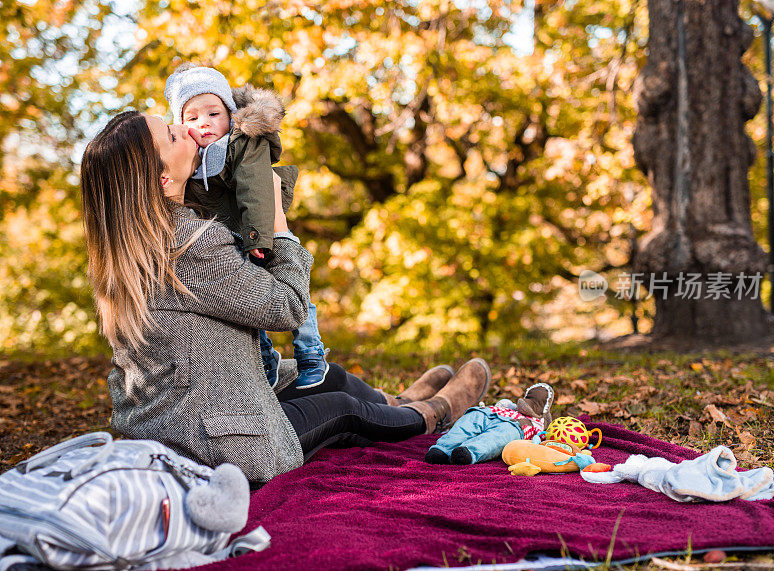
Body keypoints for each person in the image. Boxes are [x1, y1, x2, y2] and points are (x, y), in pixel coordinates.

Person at [79, 110, 491, 484]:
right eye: (172, 136)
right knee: (346, 409)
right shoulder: (188, 246)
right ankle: (434, 414)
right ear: (163, 179)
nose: (186, 129)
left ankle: (398, 401)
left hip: (179, 414)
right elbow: (287, 306)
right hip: (221, 446)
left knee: (330, 375)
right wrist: (278, 221)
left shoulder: (130, 250)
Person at [164, 63, 325, 389]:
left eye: (213, 114)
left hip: (264, 227)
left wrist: (260, 238)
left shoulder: (243, 143)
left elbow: (256, 189)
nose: (204, 124)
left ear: (231, 112)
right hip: (237, 237)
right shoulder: (194, 158)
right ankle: (267, 363)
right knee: (251, 301)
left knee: (294, 290)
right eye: (192, 118)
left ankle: (312, 354)